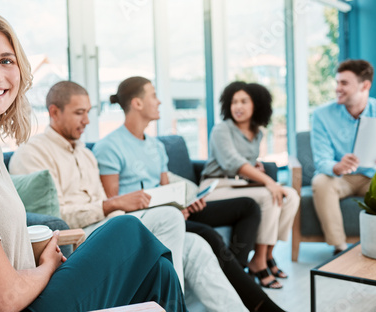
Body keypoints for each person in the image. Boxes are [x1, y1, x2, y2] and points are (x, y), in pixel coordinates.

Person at [0, 10, 187, 312]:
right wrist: (48, 265)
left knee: (159, 271)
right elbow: (2, 298)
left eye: (6, 61)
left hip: (22, 296)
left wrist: (34, 250)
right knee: (126, 229)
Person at [9, 80, 249, 312]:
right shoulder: (33, 154)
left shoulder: (86, 155)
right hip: (79, 236)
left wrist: (123, 207)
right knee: (168, 216)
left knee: (195, 245)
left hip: (105, 226)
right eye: (79, 113)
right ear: (54, 112)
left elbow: (107, 205)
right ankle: (171, 305)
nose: (87, 120)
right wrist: (113, 205)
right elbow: (54, 220)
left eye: (89, 112)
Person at [94, 76, 286, 311]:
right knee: (209, 235)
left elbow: (166, 189)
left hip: (174, 211)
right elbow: (115, 205)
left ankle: (240, 276)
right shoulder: (109, 147)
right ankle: (260, 303)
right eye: (154, 95)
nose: (160, 101)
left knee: (248, 206)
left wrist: (184, 203)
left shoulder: (156, 146)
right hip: (146, 219)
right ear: (137, 103)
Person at [200, 81, 299, 289]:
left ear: (256, 104)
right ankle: (258, 261)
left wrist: (256, 168)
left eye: (244, 101)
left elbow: (244, 162)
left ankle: (268, 255)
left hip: (239, 186)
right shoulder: (221, 130)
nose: (238, 106)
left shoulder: (257, 133)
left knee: (290, 196)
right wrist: (268, 181)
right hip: (215, 187)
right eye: (234, 101)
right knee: (269, 195)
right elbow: (232, 162)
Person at [311, 59, 376, 254]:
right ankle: (339, 248)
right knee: (321, 182)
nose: (337, 88)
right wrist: (337, 166)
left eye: (344, 83)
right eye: (337, 82)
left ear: (365, 85)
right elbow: (322, 160)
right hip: (342, 178)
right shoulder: (321, 115)